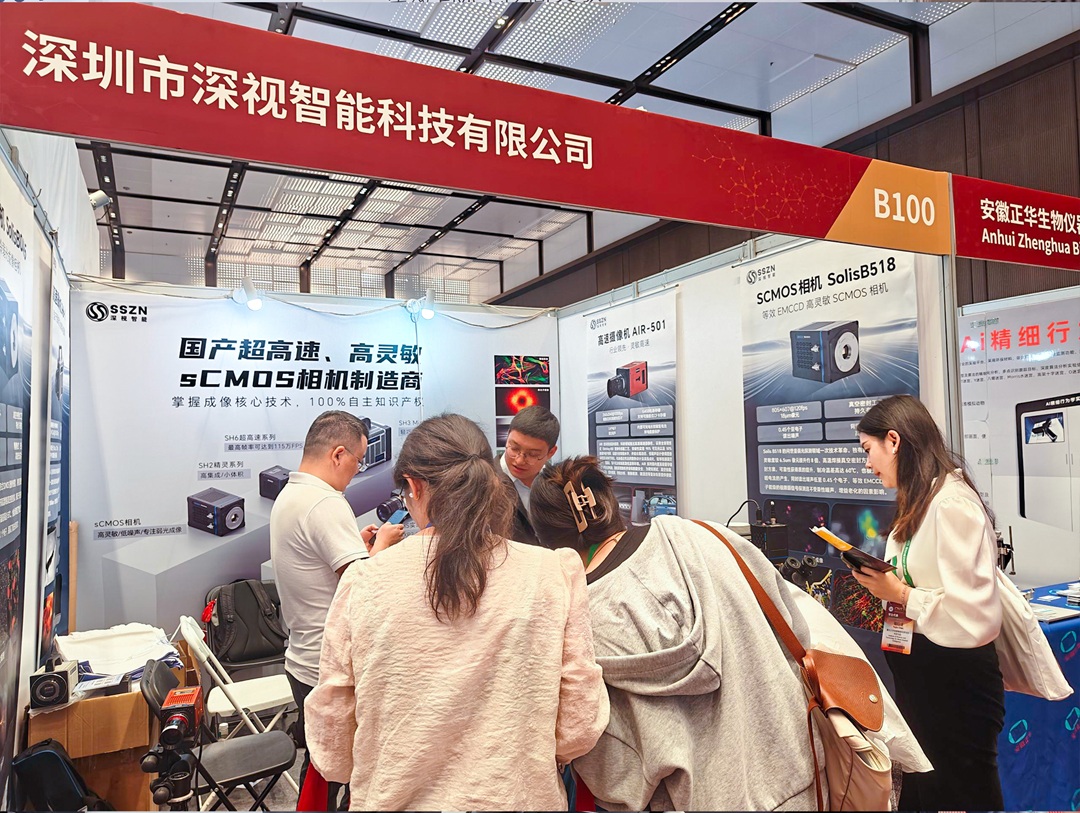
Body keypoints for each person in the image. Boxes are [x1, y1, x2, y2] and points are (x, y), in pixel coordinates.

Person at [303, 414, 609, 810]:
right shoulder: (555, 571)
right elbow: (579, 724)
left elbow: (333, 745)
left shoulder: (364, 580)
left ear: (414, 485)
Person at [528, 455, 823, 810]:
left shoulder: (581, 623)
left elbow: (611, 763)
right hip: (798, 777)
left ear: (548, 541)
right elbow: (793, 629)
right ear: (607, 501)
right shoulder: (704, 535)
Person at [851, 394, 1004, 810]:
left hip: (955, 682)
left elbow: (971, 614)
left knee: (964, 791)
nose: (867, 463)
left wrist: (900, 594)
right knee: (927, 789)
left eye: (868, 449)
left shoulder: (951, 504)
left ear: (894, 441)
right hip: (924, 679)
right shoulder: (920, 501)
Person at [270, 410, 403, 797]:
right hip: (328, 665)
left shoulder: (293, 494)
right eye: (358, 460)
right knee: (336, 779)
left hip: (304, 658)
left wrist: (356, 547)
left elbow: (326, 567)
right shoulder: (325, 503)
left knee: (321, 775)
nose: (358, 470)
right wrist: (382, 545)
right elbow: (362, 589)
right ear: (338, 454)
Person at [495, 405, 559, 545]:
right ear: (507, 436)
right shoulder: (485, 482)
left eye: (533, 454)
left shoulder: (559, 483)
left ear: (551, 452)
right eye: (514, 448)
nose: (519, 460)